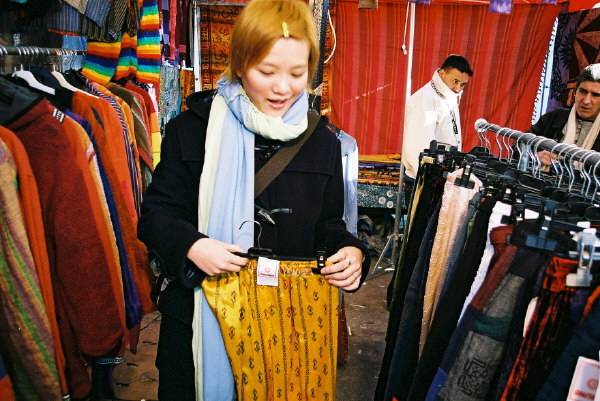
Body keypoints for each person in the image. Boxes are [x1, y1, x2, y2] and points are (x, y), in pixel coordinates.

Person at [137, 0, 370, 399]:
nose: (283, 88)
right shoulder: (191, 130)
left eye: (297, 73)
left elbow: (330, 225)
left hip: (286, 328)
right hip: (199, 320)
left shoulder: (323, 143)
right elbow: (156, 215)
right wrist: (193, 245)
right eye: (267, 71)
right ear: (241, 63)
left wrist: (351, 251)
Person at [401, 54, 473, 179]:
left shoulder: (448, 94)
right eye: (455, 81)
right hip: (424, 177)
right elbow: (419, 145)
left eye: (462, 84)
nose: (458, 88)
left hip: (441, 174)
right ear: (442, 73)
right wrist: (427, 179)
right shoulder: (425, 99)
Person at [531, 63, 600, 165]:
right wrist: (534, 156)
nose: (586, 101)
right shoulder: (553, 118)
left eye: (595, 95)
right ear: (575, 92)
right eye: (582, 91)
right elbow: (519, 147)